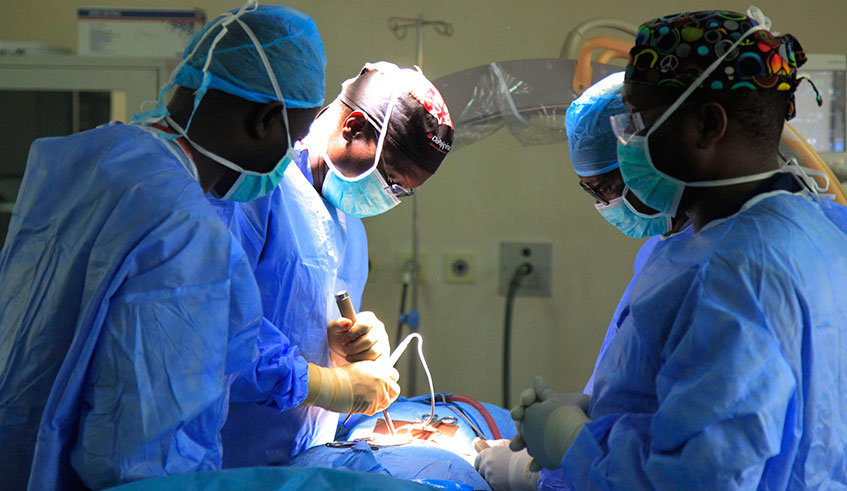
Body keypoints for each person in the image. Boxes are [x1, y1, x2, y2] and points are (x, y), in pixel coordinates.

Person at [0, 2, 394, 489]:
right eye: (293, 135)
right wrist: (328, 387)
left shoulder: (84, 160)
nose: (288, 160)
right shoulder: (184, 228)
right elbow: (146, 457)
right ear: (265, 121)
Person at [510, 8, 847, 489]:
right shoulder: (818, 229)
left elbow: (701, 478)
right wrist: (600, 417)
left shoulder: (731, 273)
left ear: (709, 125)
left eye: (637, 120)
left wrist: (575, 443)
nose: (626, 138)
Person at [211, 61, 455, 467]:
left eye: (404, 193)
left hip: (304, 460)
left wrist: (348, 353)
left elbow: (300, 325)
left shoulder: (348, 222)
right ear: (353, 127)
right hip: (229, 460)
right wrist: (325, 384)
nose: (392, 198)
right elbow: (213, 329)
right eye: (392, 179)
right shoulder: (257, 191)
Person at [474, 73, 689, 491]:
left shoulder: (716, 266)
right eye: (590, 191)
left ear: (648, 161)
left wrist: (559, 461)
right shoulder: (663, 250)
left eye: (609, 186)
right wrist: (593, 410)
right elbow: (649, 392)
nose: (605, 204)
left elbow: (694, 465)